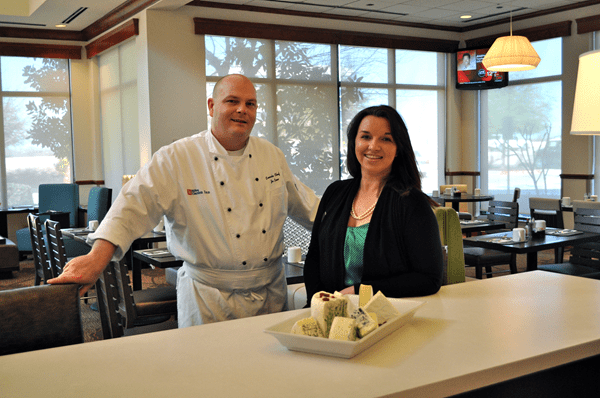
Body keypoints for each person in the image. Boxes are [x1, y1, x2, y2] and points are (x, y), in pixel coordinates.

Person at [49, 74, 319, 327]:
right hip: (208, 297)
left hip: (269, 293)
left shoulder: (272, 156)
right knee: (206, 374)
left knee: (268, 374)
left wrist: (356, 229)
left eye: (250, 104)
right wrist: (96, 257)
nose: (242, 110)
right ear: (212, 106)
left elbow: (309, 207)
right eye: (232, 101)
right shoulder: (177, 157)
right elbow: (132, 205)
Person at [303, 105, 443, 302]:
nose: (373, 146)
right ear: (354, 142)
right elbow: (314, 257)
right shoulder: (334, 193)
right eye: (366, 137)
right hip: (330, 314)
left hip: (385, 318)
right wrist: (318, 303)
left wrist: (359, 291)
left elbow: (429, 279)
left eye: (386, 139)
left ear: (398, 149)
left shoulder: (411, 202)